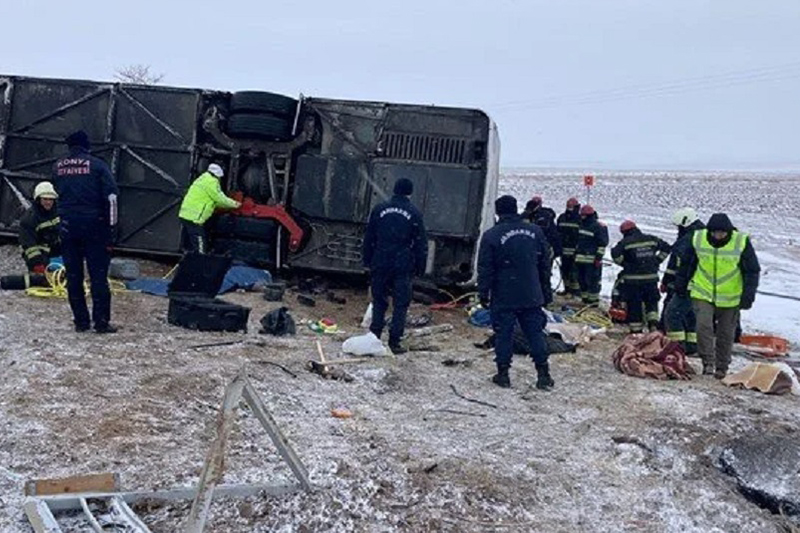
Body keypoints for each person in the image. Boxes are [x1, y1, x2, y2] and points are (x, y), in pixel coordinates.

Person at [478, 195, 553, 390]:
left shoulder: (492, 235)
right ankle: (543, 374)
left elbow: (486, 268)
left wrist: (483, 293)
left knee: (504, 334)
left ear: (497, 212)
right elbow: (545, 264)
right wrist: (546, 292)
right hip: (531, 292)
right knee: (535, 334)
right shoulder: (535, 231)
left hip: (504, 294)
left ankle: (503, 374)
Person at [675, 213, 760, 378]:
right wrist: (681, 282)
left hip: (731, 297)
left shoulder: (741, 242)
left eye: (722, 233)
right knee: (703, 327)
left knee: (726, 333)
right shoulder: (698, 239)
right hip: (703, 291)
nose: (718, 236)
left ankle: (722, 367)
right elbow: (687, 263)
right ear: (709, 231)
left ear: (728, 231)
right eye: (715, 233)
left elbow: (752, 270)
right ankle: (707, 362)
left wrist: (748, 294)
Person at [52, 131, 119, 333]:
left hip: (67, 227)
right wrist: (112, 229)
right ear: (86, 145)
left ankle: (81, 321)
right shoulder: (97, 165)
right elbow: (112, 198)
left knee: (73, 276)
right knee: (98, 277)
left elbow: (55, 195)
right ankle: (101, 322)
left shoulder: (57, 167)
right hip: (95, 227)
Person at [362, 178, 427, 354]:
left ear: (394, 190)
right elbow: (421, 243)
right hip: (402, 263)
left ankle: (374, 336)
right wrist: (420, 267)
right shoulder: (414, 213)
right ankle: (394, 341)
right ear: (410, 192)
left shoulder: (380, 209)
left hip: (380, 260)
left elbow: (369, 237)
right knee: (400, 304)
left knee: (379, 301)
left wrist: (367, 260)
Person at [611, 220, 671, 333]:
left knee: (635, 306)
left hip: (633, 281)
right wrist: (657, 261)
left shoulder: (625, 242)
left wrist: (625, 264)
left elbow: (615, 254)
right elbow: (667, 247)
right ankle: (653, 326)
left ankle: (636, 332)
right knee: (652, 303)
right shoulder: (651, 239)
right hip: (651, 279)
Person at [662, 207, 705, 354]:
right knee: (691, 315)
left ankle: (676, 347)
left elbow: (680, 265)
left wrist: (674, 283)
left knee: (672, 314)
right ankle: (692, 346)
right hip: (701, 286)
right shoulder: (703, 235)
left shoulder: (687, 240)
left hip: (689, 285)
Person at [178, 163, 241, 253]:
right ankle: (201, 260)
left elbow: (210, 199)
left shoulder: (202, 178)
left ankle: (188, 257)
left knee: (189, 241)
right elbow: (220, 198)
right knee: (200, 242)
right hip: (195, 217)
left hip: (185, 214)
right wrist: (235, 204)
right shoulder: (212, 182)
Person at [19, 182, 61, 273]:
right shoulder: (29, 219)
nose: (48, 202)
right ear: (38, 199)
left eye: (51, 199)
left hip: (56, 253)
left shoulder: (57, 212)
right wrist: (37, 264)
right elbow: (29, 246)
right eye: (45, 199)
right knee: (43, 284)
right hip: (40, 257)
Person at [574, 205, 608, 305]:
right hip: (580, 259)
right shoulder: (582, 225)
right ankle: (584, 299)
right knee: (581, 280)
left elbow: (602, 244)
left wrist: (598, 258)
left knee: (593, 281)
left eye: (583, 215)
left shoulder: (598, 227)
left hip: (592, 260)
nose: (581, 217)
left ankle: (593, 301)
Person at [556, 197, 581, 297]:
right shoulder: (562, 217)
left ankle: (574, 292)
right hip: (564, 250)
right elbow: (557, 233)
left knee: (574, 272)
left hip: (575, 251)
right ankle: (567, 289)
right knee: (565, 271)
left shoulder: (579, 219)